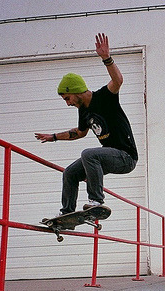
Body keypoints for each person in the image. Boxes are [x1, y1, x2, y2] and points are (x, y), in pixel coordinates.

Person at [35, 33, 138, 215]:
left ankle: (96, 201)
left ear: (76, 91)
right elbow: (80, 132)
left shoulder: (104, 97)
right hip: (107, 158)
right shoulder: (83, 110)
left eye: (68, 98)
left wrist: (106, 58)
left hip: (126, 157)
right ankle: (67, 214)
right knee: (70, 173)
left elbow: (118, 81)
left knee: (89, 154)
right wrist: (53, 137)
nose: (68, 103)